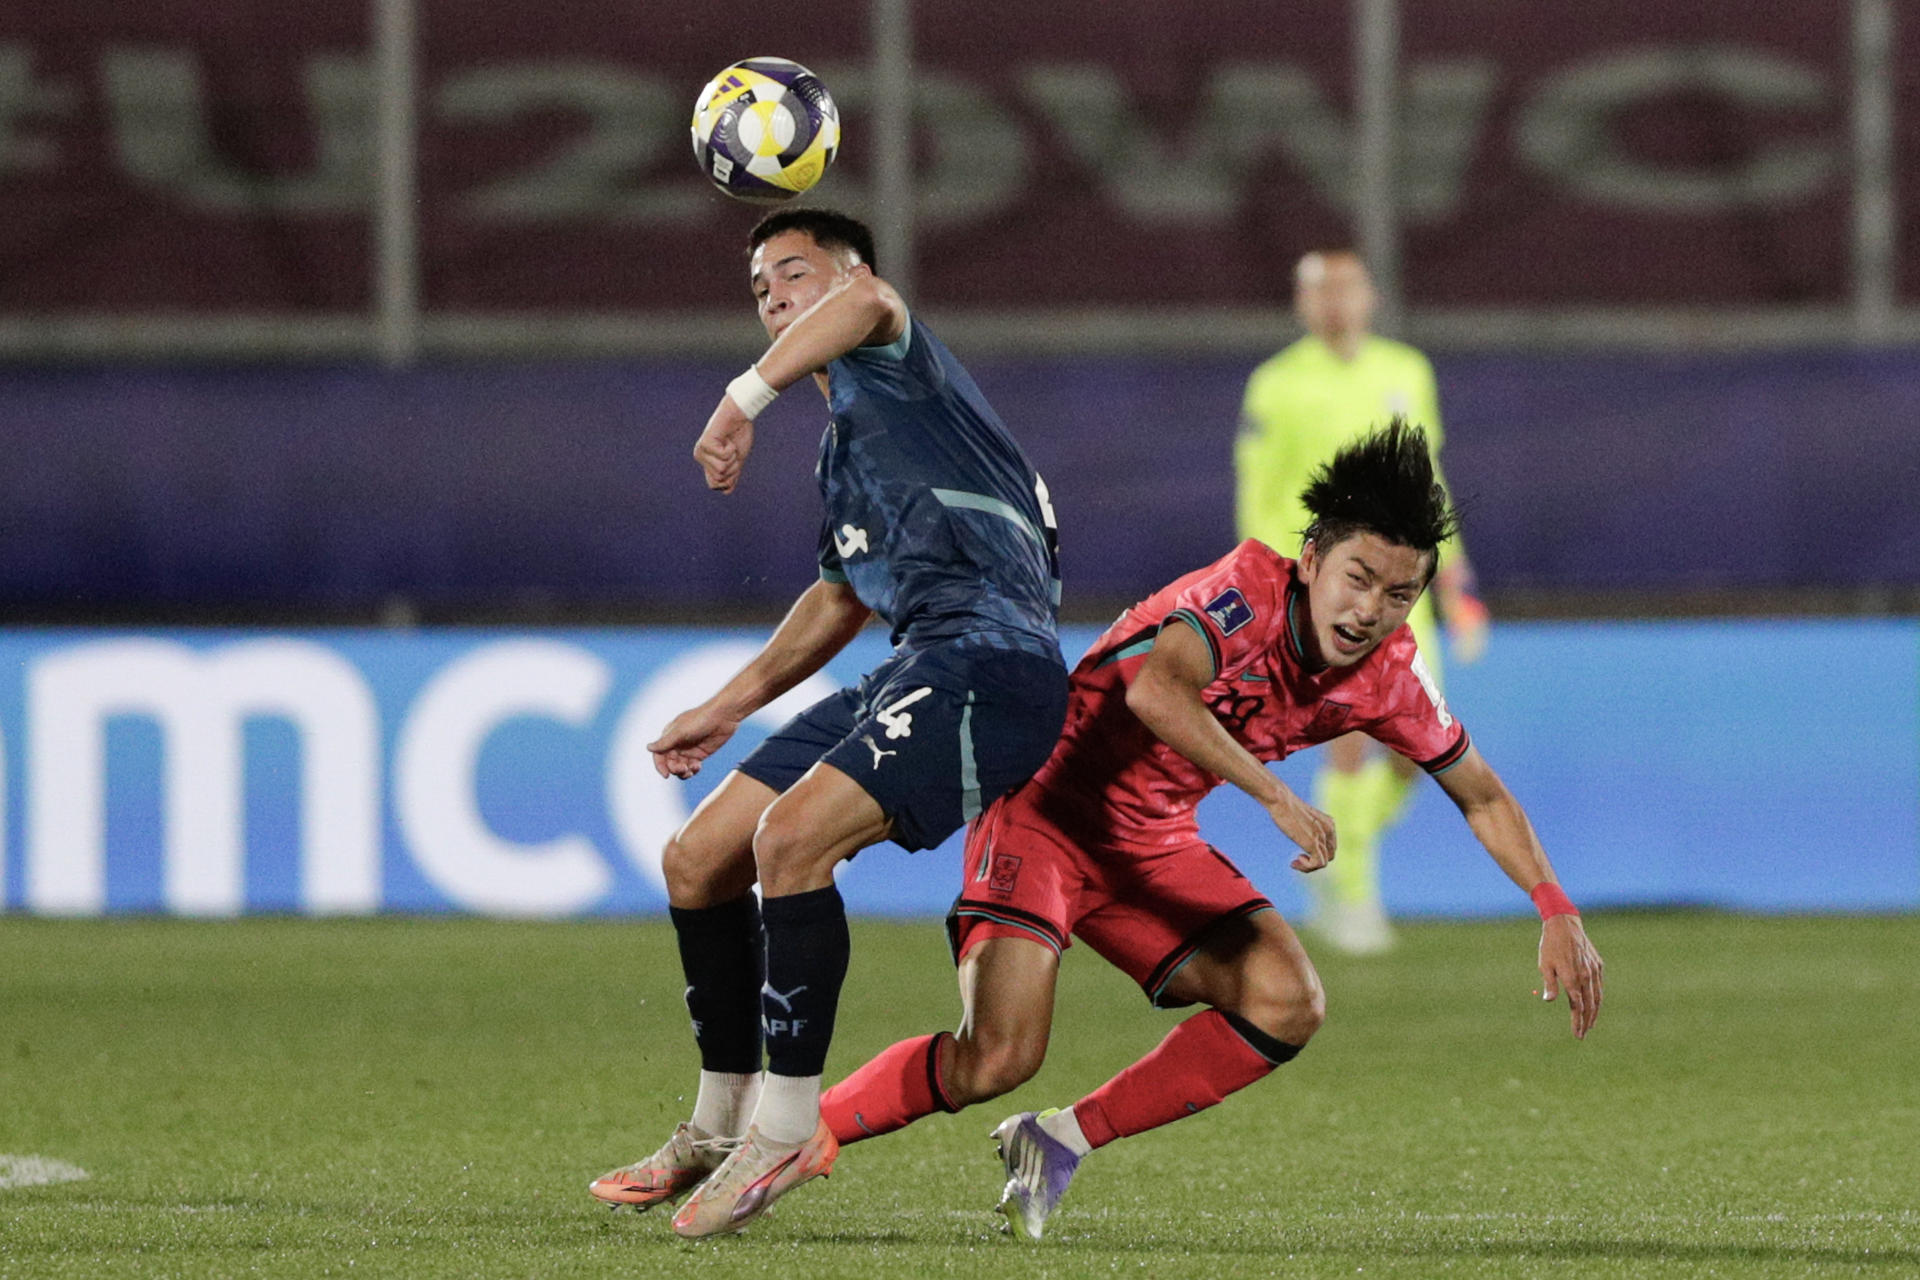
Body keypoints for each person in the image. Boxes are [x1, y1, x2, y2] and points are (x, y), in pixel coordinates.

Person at [815, 421, 1603, 1240]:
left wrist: (1555, 907)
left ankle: (1057, 1142)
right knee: (998, 1058)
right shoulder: (1244, 592)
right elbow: (1157, 692)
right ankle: (796, 1133)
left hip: (1149, 841)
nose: (1371, 611)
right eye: (1359, 578)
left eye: (1399, 595)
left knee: (1287, 1001)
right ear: (1312, 561)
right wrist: (1274, 796)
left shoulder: (1392, 677)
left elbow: (1481, 795)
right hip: (1046, 810)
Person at [587, 208, 1068, 1238]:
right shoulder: (848, 447)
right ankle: (720, 1120)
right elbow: (843, 596)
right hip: (920, 660)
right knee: (699, 856)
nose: (776, 301)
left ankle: (788, 1126)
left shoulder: (898, 362)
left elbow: (875, 302)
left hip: (994, 664)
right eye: (761, 290)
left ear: (848, 276)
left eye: (794, 276)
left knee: (791, 839)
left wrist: (741, 393)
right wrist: (723, 707)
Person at [1236, 250, 1490, 954]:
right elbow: (1258, 494)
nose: (1333, 304)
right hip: (1323, 591)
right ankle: (1354, 900)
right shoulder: (1276, 385)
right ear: (1301, 304)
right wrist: (1265, 588)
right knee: (1350, 737)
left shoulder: (1406, 372)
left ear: (1370, 296)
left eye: (1344, 290)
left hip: (1404, 590)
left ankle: (1336, 851)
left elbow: (1430, 484)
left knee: (1418, 748)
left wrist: (1458, 583)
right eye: (1318, 292)